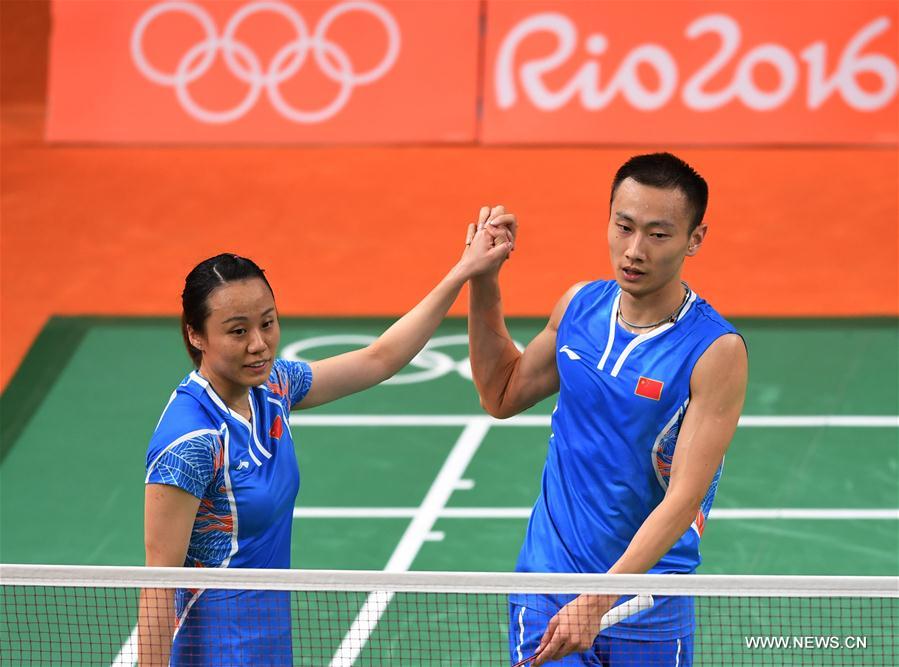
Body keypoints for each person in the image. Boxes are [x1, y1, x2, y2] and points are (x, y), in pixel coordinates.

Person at [138, 222, 513, 666]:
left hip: (270, 643)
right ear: (195, 335)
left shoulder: (271, 390)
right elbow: (157, 587)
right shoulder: (190, 443)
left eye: (267, 323)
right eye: (237, 331)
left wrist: (464, 271)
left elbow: (379, 358)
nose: (259, 344)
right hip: (216, 653)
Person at [467, 153, 748, 666]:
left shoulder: (714, 351)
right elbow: (500, 394)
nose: (634, 250)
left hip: (646, 603)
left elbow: (684, 499)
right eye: (624, 227)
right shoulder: (579, 306)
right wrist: (483, 280)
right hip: (549, 584)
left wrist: (598, 599)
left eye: (658, 235)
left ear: (695, 239)